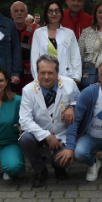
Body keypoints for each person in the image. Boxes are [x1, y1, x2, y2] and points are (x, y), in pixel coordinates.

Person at [19, 55, 80, 187]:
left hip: (62, 133)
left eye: (50, 73)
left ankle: (58, 166)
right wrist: (46, 136)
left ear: (57, 73)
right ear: (37, 72)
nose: (46, 77)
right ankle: (40, 170)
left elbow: (80, 102)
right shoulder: (28, 90)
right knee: (25, 139)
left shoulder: (70, 84)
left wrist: (72, 107)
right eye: (42, 73)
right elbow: (24, 121)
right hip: (39, 133)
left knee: (64, 160)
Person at [31, 1, 82, 82]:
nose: (54, 14)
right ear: (46, 14)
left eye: (57, 11)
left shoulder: (69, 33)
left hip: (66, 78)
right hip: (45, 79)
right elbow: (34, 59)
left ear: (61, 13)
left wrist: (76, 78)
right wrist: (37, 79)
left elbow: (75, 57)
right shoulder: (38, 33)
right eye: (50, 11)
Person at [10, 1, 35, 93]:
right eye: (16, 11)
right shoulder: (6, 31)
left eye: (22, 11)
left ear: (26, 14)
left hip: (28, 78)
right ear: (11, 14)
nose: (19, 13)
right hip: (10, 76)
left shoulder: (34, 32)